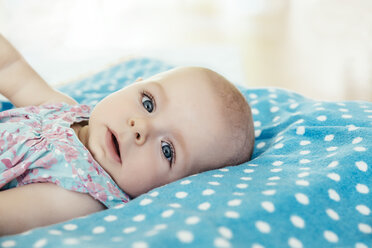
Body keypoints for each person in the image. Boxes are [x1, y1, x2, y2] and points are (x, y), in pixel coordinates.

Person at [0, 34, 255, 236]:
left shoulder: (78, 198)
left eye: (168, 150)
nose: (141, 127)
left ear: (171, 187)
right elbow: (12, 70)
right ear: (132, 84)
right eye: (148, 103)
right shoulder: (64, 109)